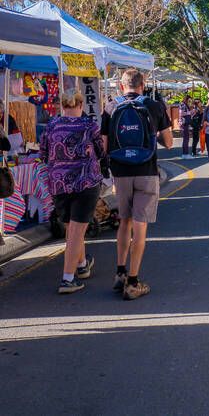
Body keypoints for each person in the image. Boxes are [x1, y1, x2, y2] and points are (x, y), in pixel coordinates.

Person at [101, 68, 173, 300]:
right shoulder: (154, 106)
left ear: (122, 86)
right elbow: (169, 143)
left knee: (124, 222)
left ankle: (120, 273)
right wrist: (154, 136)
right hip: (147, 171)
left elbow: (104, 146)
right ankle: (133, 282)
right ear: (143, 85)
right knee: (140, 226)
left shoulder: (111, 108)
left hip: (121, 172)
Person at [40, 89, 105, 294]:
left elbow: (43, 154)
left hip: (58, 184)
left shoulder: (51, 126)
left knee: (72, 228)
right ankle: (67, 279)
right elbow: (101, 152)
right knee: (77, 231)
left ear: (62, 106)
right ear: (80, 105)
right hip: (85, 183)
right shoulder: (89, 126)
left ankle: (82, 264)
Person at [179, 94, 193, 159]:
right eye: (189, 100)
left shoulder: (185, 105)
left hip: (185, 123)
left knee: (186, 138)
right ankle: (185, 154)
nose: (189, 102)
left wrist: (191, 112)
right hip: (184, 123)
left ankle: (185, 153)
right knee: (186, 139)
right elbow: (181, 113)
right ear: (186, 100)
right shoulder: (183, 105)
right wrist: (189, 112)